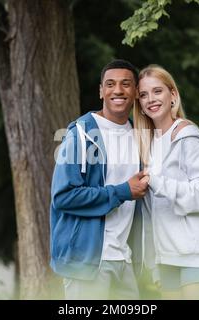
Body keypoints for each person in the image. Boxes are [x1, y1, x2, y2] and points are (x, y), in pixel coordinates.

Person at [50, 59, 148, 300]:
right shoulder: (80, 135)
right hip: (87, 262)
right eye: (110, 84)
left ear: (136, 91)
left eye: (126, 84)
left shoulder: (140, 136)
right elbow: (63, 196)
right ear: (101, 91)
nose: (118, 90)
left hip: (125, 260)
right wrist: (123, 191)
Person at [134, 65, 199, 299]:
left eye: (157, 91)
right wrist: (154, 262)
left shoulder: (188, 137)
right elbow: (151, 213)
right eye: (144, 95)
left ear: (173, 96)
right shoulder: (148, 147)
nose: (151, 99)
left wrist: (158, 182)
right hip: (166, 259)